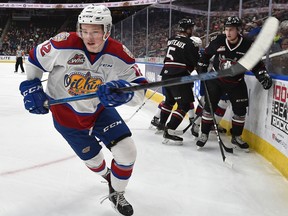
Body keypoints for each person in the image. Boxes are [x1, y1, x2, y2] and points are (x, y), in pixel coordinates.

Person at [19, 5, 147, 216]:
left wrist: (126, 93)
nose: (89, 37)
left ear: (107, 31)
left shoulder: (118, 53)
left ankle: (116, 192)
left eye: (95, 31)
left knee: (127, 151)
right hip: (66, 117)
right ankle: (107, 175)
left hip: (99, 110)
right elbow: (34, 60)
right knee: (95, 161)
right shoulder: (63, 44)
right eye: (85, 30)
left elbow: (140, 90)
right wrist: (31, 86)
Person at [196, 16, 272, 152]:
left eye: (231, 29)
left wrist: (262, 75)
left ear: (238, 30)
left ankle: (236, 136)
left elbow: (256, 64)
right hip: (216, 80)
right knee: (209, 108)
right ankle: (204, 133)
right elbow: (206, 55)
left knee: (240, 112)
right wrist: (202, 64)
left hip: (236, 82)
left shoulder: (247, 44)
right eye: (226, 29)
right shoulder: (219, 40)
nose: (228, 32)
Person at [152, 18, 199, 145]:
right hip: (178, 76)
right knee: (184, 105)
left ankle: (161, 124)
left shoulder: (171, 40)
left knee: (169, 101)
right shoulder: (190, 43)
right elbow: (196, 63)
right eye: (192, 28)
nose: (193, 30)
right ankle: (170, 130)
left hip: (166, 74)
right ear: (188, 29)